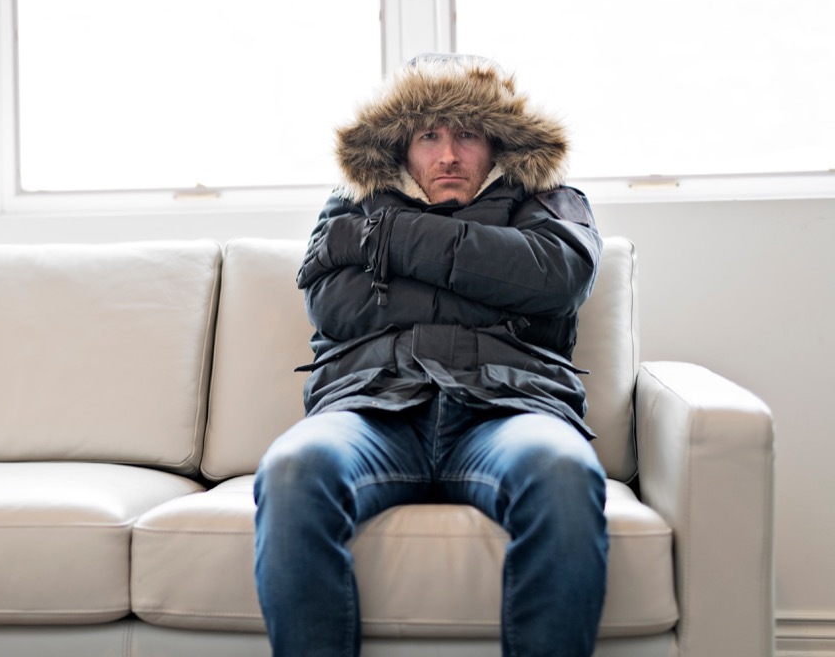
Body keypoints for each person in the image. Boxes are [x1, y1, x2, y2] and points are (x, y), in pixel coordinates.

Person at [253, 54, 608, 657]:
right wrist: (493, 283)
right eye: (429, 136)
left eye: (467, 134)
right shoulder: (354, 204)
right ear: (402, 147)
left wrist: (386, 243)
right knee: (292, 468)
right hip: (371, 408)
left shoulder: (548, 199)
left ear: (495, 142)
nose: (448, 155)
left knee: (562, 471)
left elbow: (555, 278)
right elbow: (337, 306)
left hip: (509, 410)